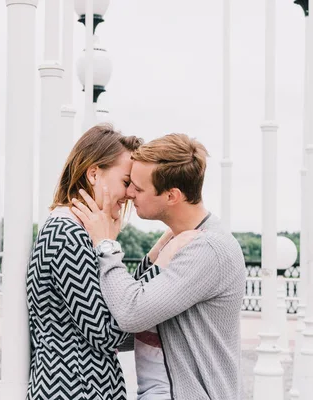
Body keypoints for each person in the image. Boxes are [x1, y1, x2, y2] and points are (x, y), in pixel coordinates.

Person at [71, 133, 247, 400]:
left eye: (139, 189)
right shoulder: (182, 240)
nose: (129, 194)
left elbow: (131, 313)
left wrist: (106, 246)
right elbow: (141, 311)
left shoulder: (207, 249)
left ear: (172, 196)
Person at [25, 125, 188, 400]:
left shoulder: (76, 231)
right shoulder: (67, 234)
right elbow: (108, 332)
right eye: (126, 182)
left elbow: (114, 306)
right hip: (73, 389)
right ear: (93, 173)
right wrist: (160, 268)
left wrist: (153, 255)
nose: (131, 193)